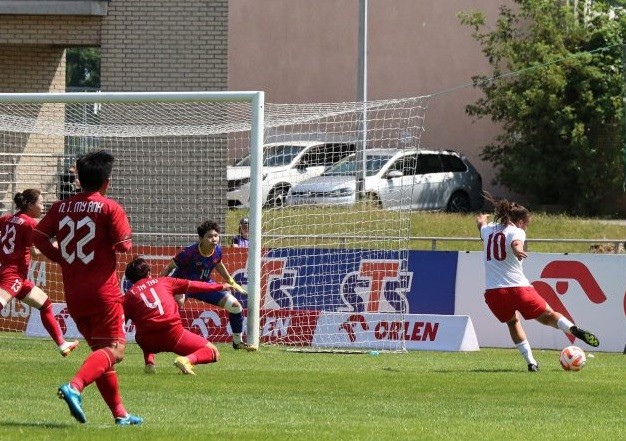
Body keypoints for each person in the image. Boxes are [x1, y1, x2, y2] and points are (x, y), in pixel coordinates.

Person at [33, 150, 143, 425]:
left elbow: (38, 235)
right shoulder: (110, 208)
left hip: (73, 292)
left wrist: (60, 256)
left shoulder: (61, 207)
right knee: (115, 351)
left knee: (101, 353)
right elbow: (124, 246)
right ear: (107, 181)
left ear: (79, 180)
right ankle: (75, 387)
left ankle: (120, 415)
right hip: (103, 293)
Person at [476, 193, 600, 372]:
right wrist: (518, 250)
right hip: (519, 289)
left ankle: (531, 362)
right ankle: (572, 328)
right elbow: (516, 243)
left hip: (494, 293)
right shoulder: (517, 231)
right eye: (527, 223)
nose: (527, 227)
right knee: (549, 316)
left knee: (513, 323)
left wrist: (481, 220)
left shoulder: (487, 230)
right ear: (519, 221)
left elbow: (481, 225)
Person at [155, 220, 255, 363]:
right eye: (209, 236)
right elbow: (168, 268)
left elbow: (219, 264)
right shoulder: (188, 252)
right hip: (183, 284)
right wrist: (157, 285)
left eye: (216, 235)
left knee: (235, 306)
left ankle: (237, 342)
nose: (214, 239)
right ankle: (163, 339)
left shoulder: (218, 250)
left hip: (204, 286)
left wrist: (230, 280)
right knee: (178, 303)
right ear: (201, 238)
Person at [0, 189, 79, 357]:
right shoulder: (29, 223)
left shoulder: (7, 218)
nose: (43, 207)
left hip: (12, 272)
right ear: (29, 204)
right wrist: (58, 244)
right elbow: (36, 251)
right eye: (41, 203)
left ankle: (62, 344)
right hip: (13, 274)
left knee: (45, 304)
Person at [123, 257, 232, 375]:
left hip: (147, 342)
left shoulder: (128, 297)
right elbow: (194, 285)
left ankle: (149, 363)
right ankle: (186, 360)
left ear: (129, 279)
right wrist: (220, 286)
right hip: (173, 335)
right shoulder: (163, 281)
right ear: (149, 273)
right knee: (212, 351)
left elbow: (120, 323)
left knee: (144, 325)